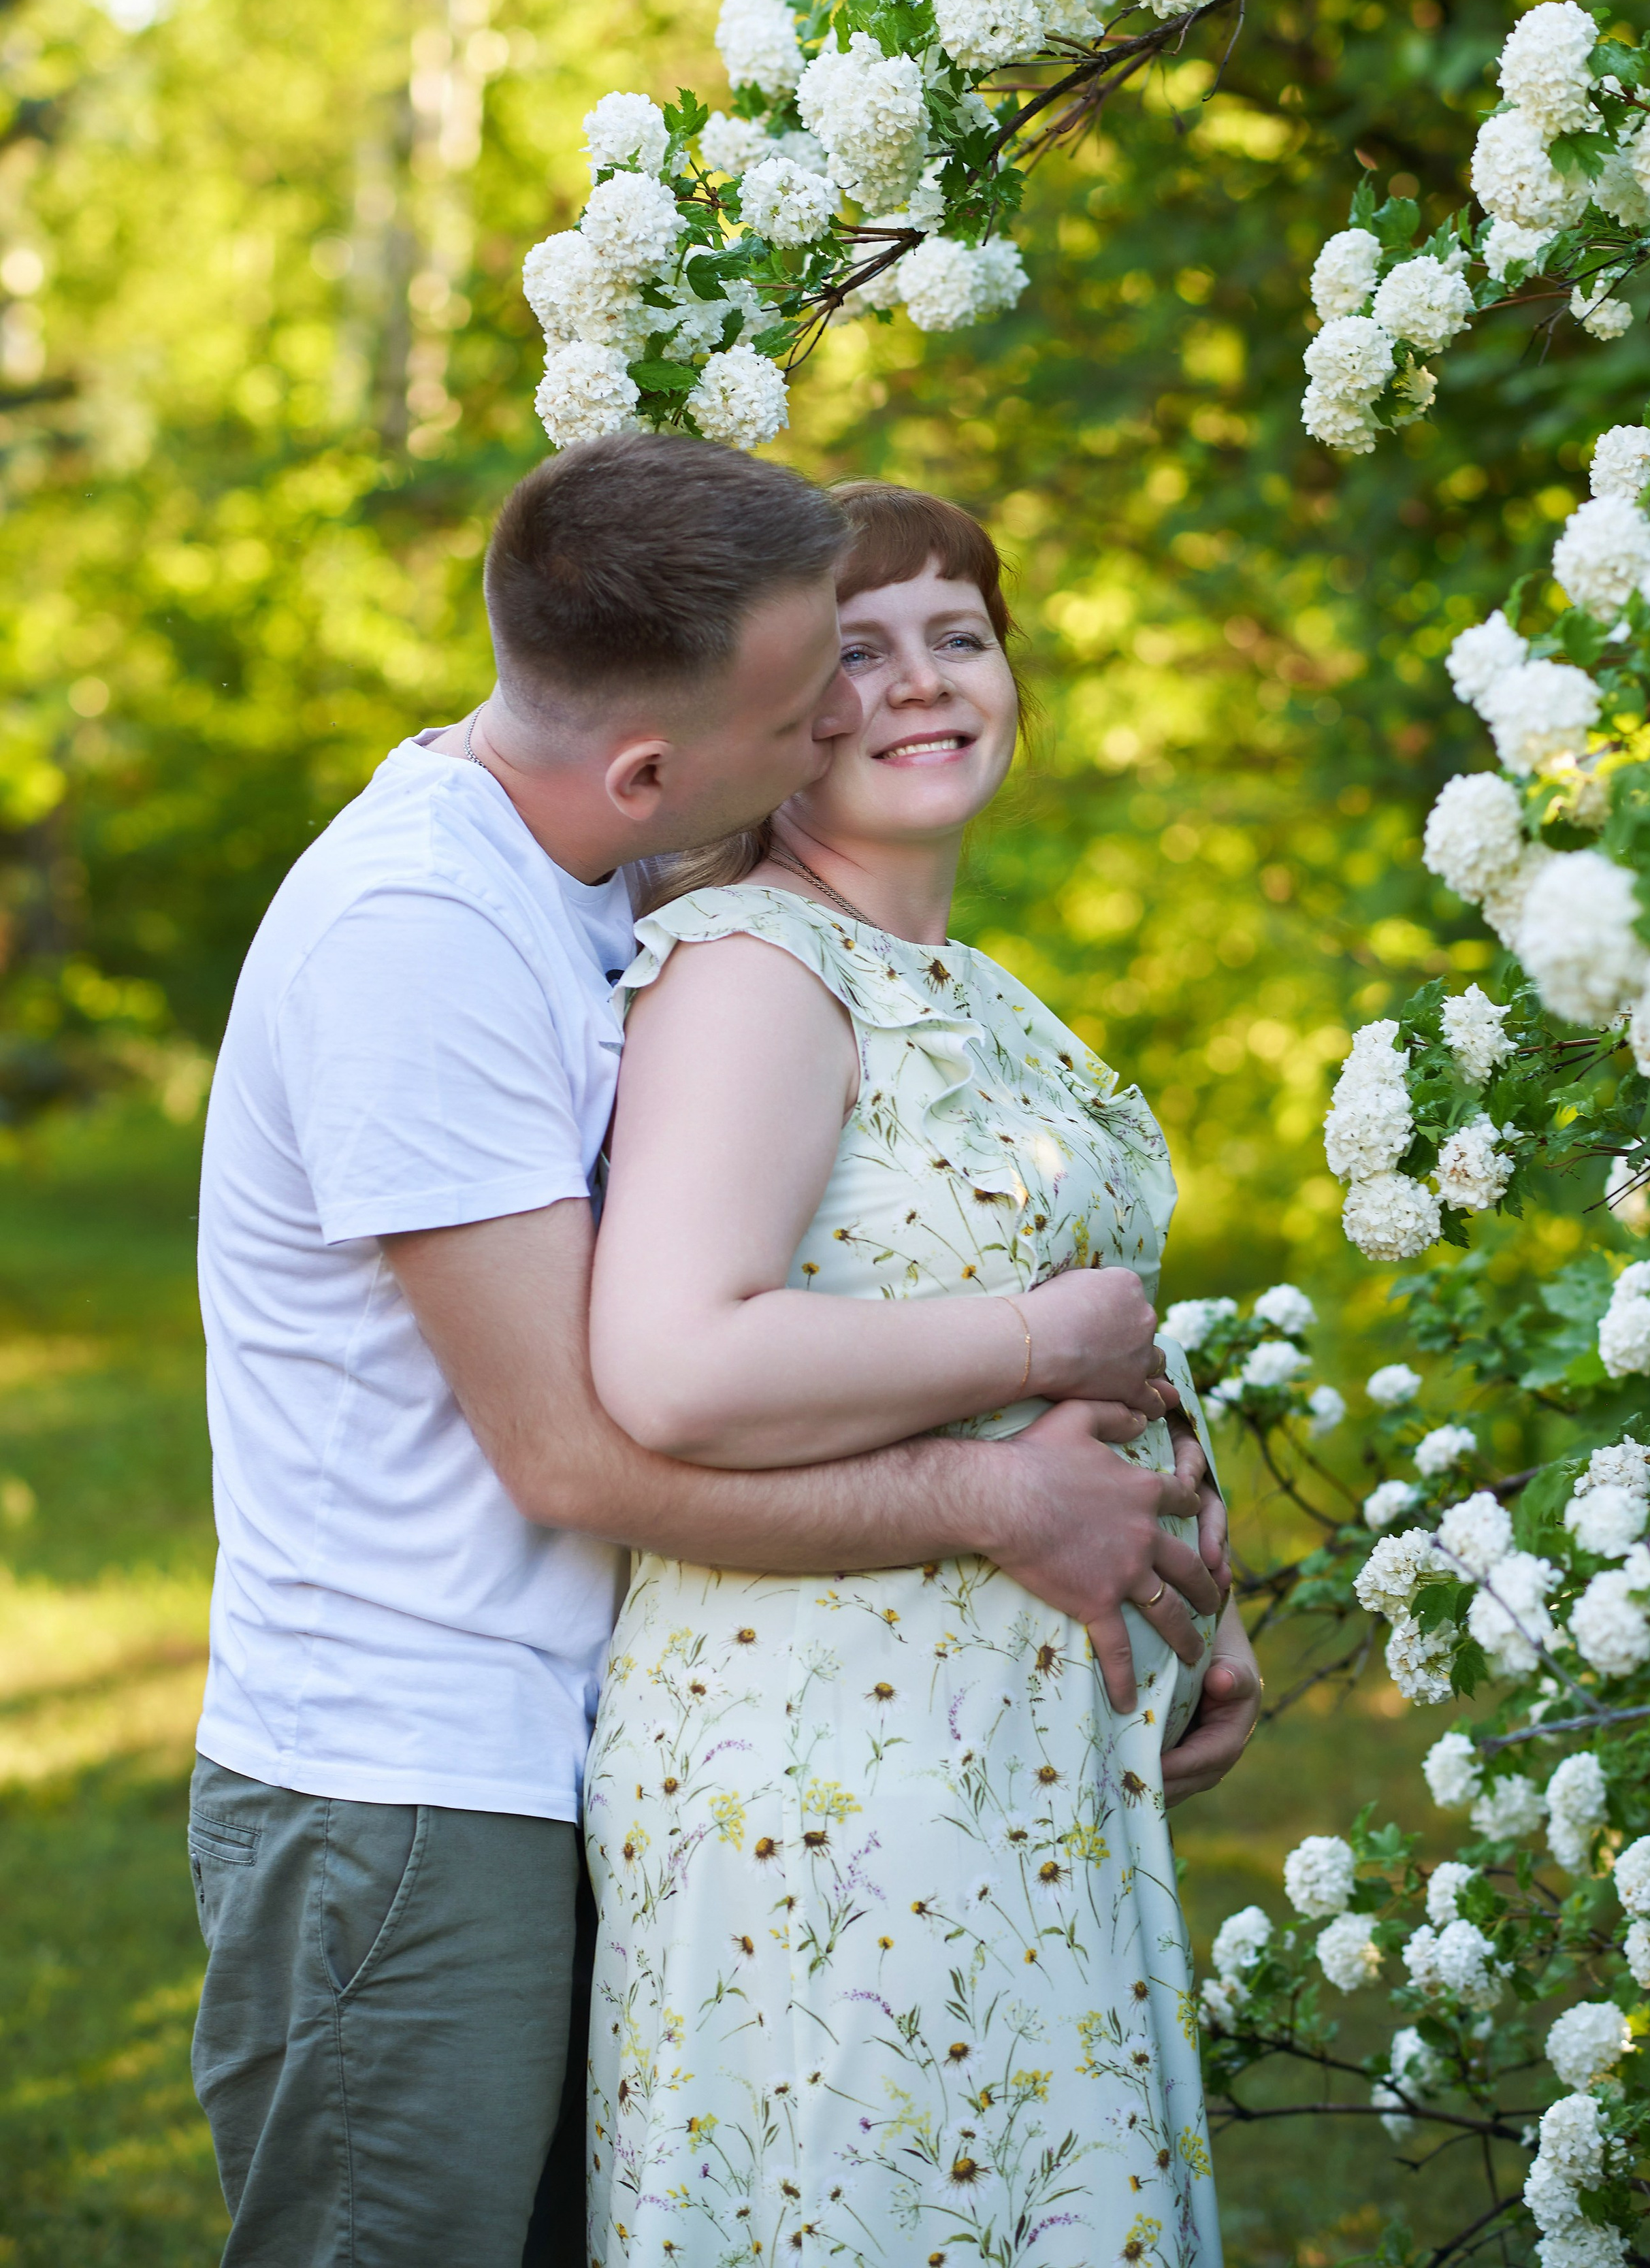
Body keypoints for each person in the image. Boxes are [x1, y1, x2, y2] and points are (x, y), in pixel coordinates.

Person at [187, 433, 1257, 2268]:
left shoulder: (582, 884)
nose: (852, 711)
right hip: (402, 1771)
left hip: (562, 1735)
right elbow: (589, 1446)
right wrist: (1007, 1486)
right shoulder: (421, 934)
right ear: (653, 764)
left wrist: (1165, 1538)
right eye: (805, 692)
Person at [583, 479, 1252, 2268]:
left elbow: (1109, 1320)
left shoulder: (973, 985)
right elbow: (673, 1358)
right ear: (783, 717)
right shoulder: (752, 975)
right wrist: (1042, 1345)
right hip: (829, 1770)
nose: (921, 683)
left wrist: (1205, 1587)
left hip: (1010, 1766)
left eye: (959, 635)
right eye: (857, 653)